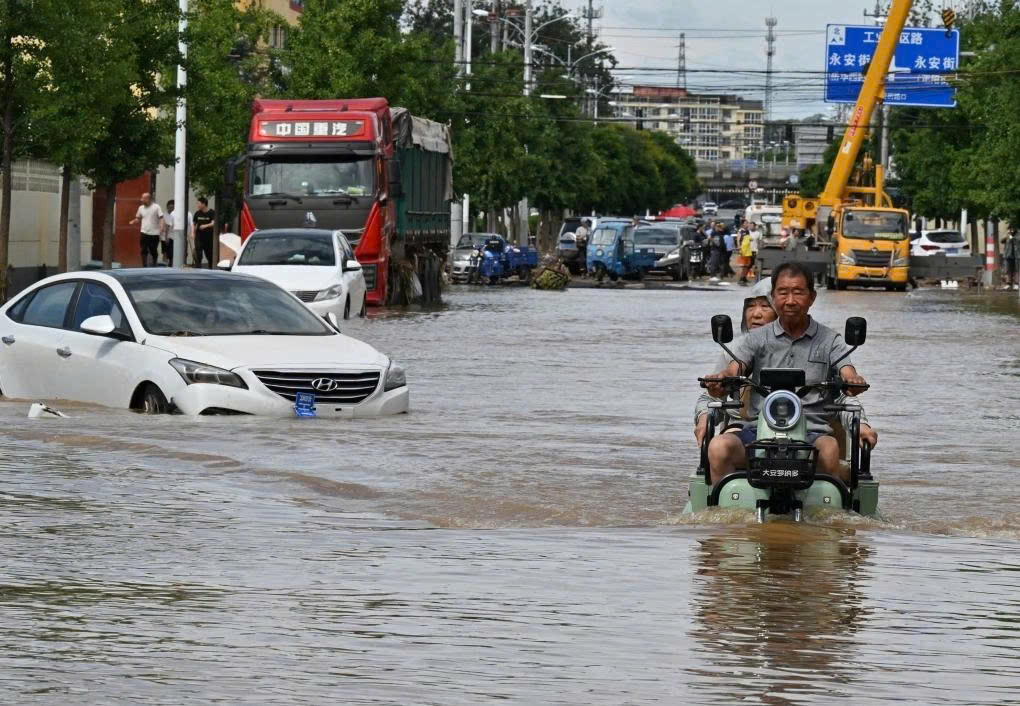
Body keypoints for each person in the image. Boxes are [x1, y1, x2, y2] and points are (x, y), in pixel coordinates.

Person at [702, 262, 876, 485]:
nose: (790, 301)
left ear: (812, 297)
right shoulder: (755, 338)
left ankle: (824, 506)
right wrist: (722, 379)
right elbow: (736, 367)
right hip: (757, 431)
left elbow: (847, 370)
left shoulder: (830, 340)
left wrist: (852, 380)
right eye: (783, 293)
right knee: (718, 447)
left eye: (798, 292)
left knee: (830, 449)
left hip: (812, 433)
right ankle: (725, 504)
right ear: (774, 297)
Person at [128, 192, 163, 267]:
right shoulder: (141, 208)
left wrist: (161, 228)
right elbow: (138, 218)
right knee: (143, 249)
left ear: (148, 199)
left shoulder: (156, 207)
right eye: (142, 198)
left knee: (153, 249)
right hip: (144, 232)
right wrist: (133, 221)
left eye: (143, 198)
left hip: (154, 233)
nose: (142, 200)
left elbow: (161, 218)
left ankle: (154, 263)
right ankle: (144, 265)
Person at [160, 199, 192, 266]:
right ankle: (170, 264)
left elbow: (191, 225)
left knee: (183, 253)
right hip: (172, 237)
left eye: (172, 207)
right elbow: (168, 226)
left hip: (183, 238)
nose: (171, 209)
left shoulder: (188, 214)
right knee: (170, 254)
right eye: (169, 207)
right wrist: (166, 237)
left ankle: (182, 264)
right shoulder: (171, 214)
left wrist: (191, 233)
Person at [192, 197, 216, 268]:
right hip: (199, 237)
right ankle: (198, 266)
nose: (197, 205)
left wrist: (205, 226)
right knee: (198, 252)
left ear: (204, 204)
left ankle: (211, 268)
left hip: (209, 237)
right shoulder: (197, 213)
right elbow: (194, 224)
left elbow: (213, 223)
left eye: (198, 203)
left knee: (209, 254)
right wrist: (193, 233)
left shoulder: (212, 212)